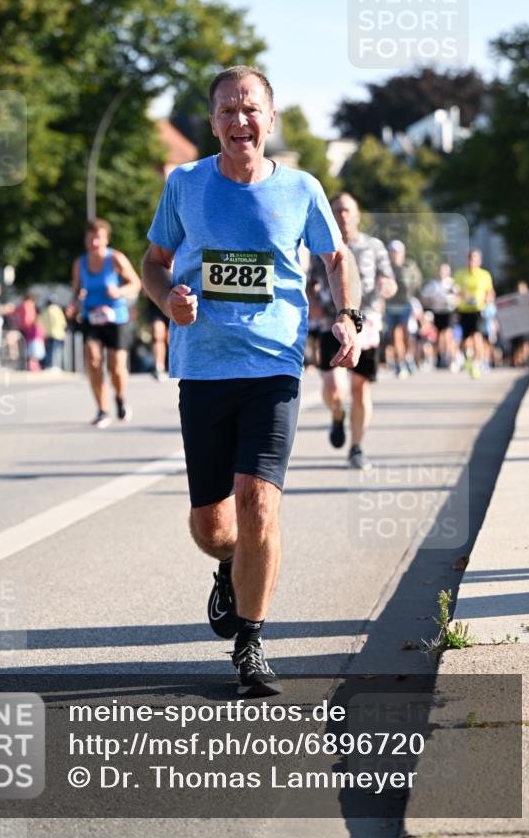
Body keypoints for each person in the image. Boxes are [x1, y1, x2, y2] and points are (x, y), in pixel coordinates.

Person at [142, 66, 360, 698]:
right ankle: (228, 567)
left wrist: (346, 316)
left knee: (259, 500)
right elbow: (154, 264)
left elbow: (334, 257)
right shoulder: (185, 184)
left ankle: (251, 642)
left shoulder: (300, 188)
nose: (240, 121)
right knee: (212, 527)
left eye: (251, 109)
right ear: (213, 124)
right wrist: (170, 303)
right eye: (228, 112)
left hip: (273, 366)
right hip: (204, 367)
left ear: (270, 119)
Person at [307, 192, 396, 471]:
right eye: (337, 211)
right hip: (330, 324)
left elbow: (390, 280)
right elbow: (310, 282)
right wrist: (313, 303)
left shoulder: (374, 247)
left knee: (360, 388)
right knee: (333, 386)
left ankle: (356, 448)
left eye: (347, 210)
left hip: (366, 323)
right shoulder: (320, 246)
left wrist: (387, 288)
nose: (343, 216)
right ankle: (336, 414)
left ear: (357, 214)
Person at [71, 218, 141, 428]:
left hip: (116, 318)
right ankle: (102, 410)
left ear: (106, 239)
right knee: (92, 361)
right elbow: (76, 290)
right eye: (90, 238)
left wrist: (118, 291)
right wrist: (73, 304)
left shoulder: (115, 259)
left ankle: (120, 398)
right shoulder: (80, 263)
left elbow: (136, 283)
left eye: (98, 238)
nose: (94, 243)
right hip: (92, 316)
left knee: (116, 366)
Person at [453, 249, 495, 379]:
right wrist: (460, 296)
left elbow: (490, 292)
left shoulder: (484, 275)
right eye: (470, 258)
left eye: (474, 258)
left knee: (477, 336)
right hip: (463, 310)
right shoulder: (460, 274)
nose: (471, 261)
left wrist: (487, 301)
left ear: (479, 261)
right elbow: (454, 291)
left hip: (478, 310)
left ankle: (477, 363)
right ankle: (469, 358)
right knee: (465, 340)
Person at [384, 240, 422, 378]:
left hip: (405, 305)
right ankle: (400, 363)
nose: (395, 255)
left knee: (405, 335)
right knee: (395, 335)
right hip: (389, 307)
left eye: (397, 252)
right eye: (392, 252)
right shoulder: (385, 267)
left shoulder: (409, 266)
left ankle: (408, 358)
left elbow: (417, 284)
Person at [420, 263, 459, 368]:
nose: (442, 273)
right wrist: (430, 300)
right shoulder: (433, 284)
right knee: (438, 336)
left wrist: (452, 301)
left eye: (444, 271)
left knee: (448, 334)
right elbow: (424, 297)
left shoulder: (451, 283)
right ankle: (439, 357)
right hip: (437, 312)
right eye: (441, 271)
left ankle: (451, 358)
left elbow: (458, 298)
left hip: (449, 312)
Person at [41, 299, 67, 371]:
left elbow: (41, 322)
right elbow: (62, 322)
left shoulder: (45, 311)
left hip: (47, 333)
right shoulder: (56, 309)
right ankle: (56, 366)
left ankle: (49, 365)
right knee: (57, 351)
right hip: (58, 333)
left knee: (49, 351)